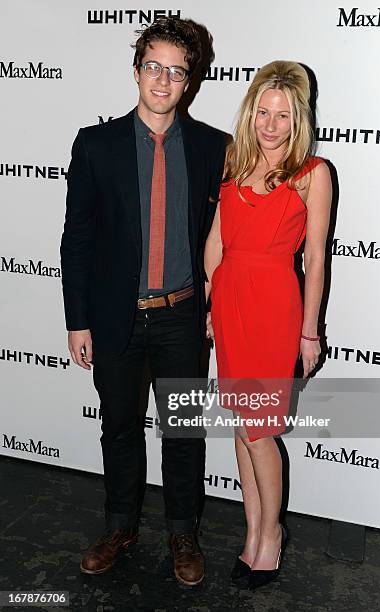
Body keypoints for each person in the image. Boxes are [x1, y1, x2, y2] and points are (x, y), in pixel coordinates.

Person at [60, 17, 225, 586]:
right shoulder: (96, 144)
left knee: (182, 431)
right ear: (136, 71)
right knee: (119, 429)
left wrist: (213, 306)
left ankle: (183, 532)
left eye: (176, 71)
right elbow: (76, 238)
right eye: (153, 66)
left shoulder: (213, 147)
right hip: (114, 317)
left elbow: (221, 238)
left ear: (189, 82)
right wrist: (77, 320)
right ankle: (120, 526)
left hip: (181, 315)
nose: (163, 80)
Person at [204, 60, 332, 590]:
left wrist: (309, 332)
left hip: (273, 305)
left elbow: (317, 259)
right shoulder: (235, 159)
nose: (271, 124)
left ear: (297, 119)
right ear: (250, 112)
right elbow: (217, 236)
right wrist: (210, 304)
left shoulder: (312, 174)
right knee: (240, 424)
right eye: (263, 112)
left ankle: (272, 536)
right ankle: (252, 531)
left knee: (259, 433)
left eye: (282, 115)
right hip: (230, 300)